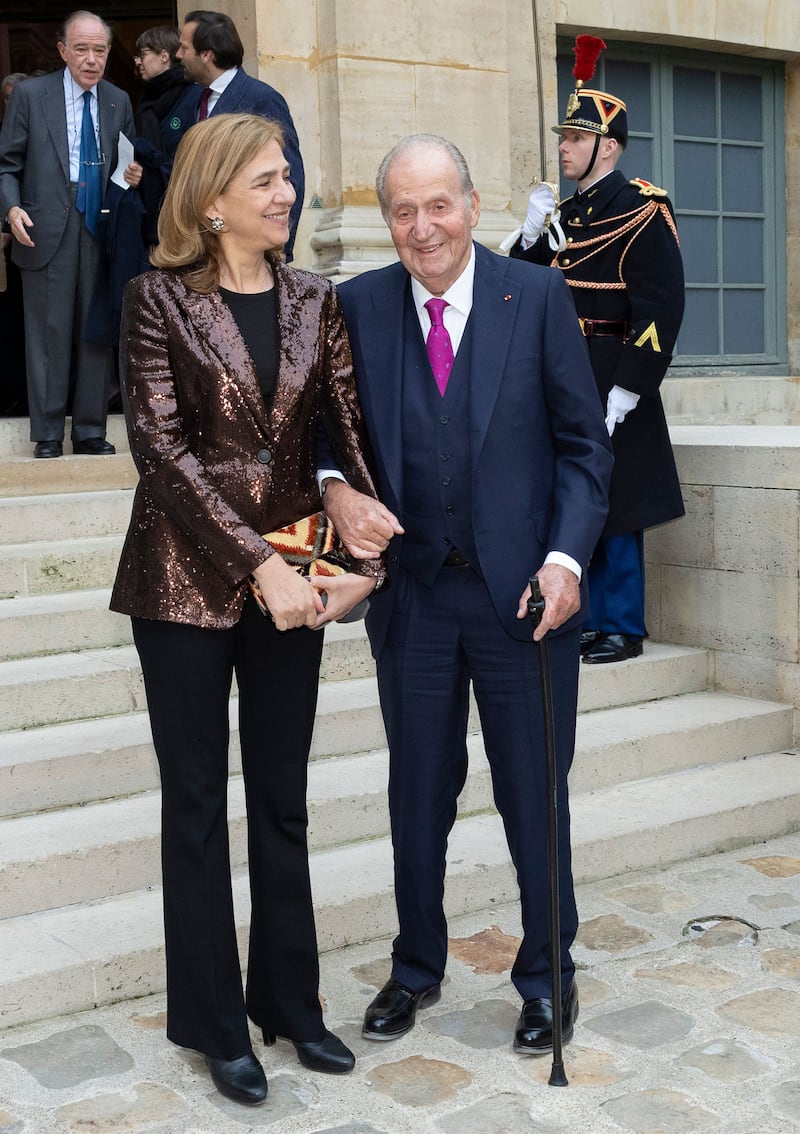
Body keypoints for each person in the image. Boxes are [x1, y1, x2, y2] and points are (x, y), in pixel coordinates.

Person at [110, 113, 383, 1105]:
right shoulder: (157, 301)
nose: (285, 193)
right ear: (213, 199)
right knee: (195, 808)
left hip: (295, 579)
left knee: (280, 800)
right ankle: (216, 1023)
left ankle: (290, 1004)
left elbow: (345, 442)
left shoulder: (318, 299)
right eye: (265, 180)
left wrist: (357, 564)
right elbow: (164, 452)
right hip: (180, 584)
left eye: (288, 178)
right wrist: (254, 566)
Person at [321, 134, 613, 1054]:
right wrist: (336, 487)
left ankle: (546, 977)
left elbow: (583, 449)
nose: (423, 227)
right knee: (418, 793)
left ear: (474, 205)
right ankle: (415, 967)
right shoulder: (356, 306)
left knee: (535, 794)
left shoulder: (538, 298)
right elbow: (328, 436)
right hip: (412, 601)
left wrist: (565, 563)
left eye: (438, 205)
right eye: (403, 211)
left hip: (526, 602)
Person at [509, 36, 685, 664]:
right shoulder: (571, 211)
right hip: (563, 369)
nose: (563, 147)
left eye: (575, 139)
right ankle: (580, 610)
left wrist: (631, 385)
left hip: (614, 370)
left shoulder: (642, 210)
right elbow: (523, 285)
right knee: (572, 492)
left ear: (606, 146)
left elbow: (661, 308)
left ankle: (622, 622)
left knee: (619, 498)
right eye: (564, 137)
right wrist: (528, 236)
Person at [0, 11, 142, 458]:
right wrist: (11, 207)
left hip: (101, 226)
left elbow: (127, 164)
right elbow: (7, 165)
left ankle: (90, 430)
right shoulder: (29, 94)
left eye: (99, 50)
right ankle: (46, 434)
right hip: (44, 226)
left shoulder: (119, 99)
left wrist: (132, 175)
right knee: (48, 332)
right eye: (81, 49)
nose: (91, 59)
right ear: (62, 51)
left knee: (96, 330)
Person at [176, 10, 305, 260]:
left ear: (206, 55)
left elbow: (291, 175)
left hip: (252, 255)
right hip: (208, 252)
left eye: (184, 48)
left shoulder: (261, 98)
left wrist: (278, 251)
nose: (178, 55)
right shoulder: (195, 100)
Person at [132, 25, 200, 247]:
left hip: (183, 217)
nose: (137, 61)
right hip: (149, 217)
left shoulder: (193, 95)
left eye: (143, 54)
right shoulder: (147, 98)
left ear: (164, 56)